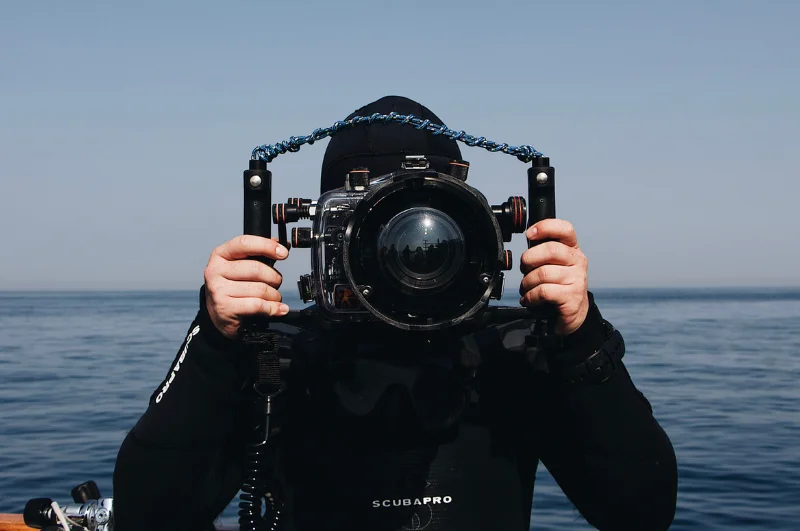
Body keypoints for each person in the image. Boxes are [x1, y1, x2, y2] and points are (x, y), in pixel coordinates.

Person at [112, 96, 678, 531]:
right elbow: (146, 515)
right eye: (376, 225)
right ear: (326, 236)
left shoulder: (519, 352)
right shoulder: (274, 359)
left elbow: (641, 510)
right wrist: (214, 341)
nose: (409, 257)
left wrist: (581, 338)